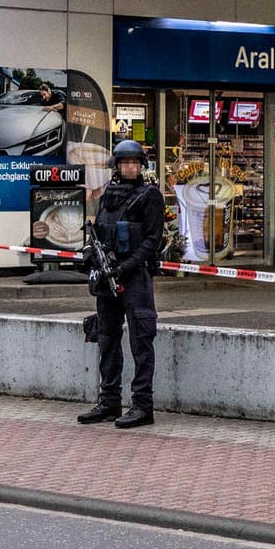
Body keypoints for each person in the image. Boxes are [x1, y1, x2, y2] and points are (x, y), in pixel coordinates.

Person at [78, 140, 165, 429]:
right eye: (125, 163)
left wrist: (126, 266)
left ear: (141, 165)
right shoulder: (107, 195)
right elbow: (99, 232)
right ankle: (109, 400)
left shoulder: (149, 195)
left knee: (140, 341)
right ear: (116, 166)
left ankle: (142, 405)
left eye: (134, 163)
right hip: (107, 278)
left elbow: (153, 240)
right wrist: (92, 259)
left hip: (134, 278)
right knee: (106, 338)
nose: (130, 167)